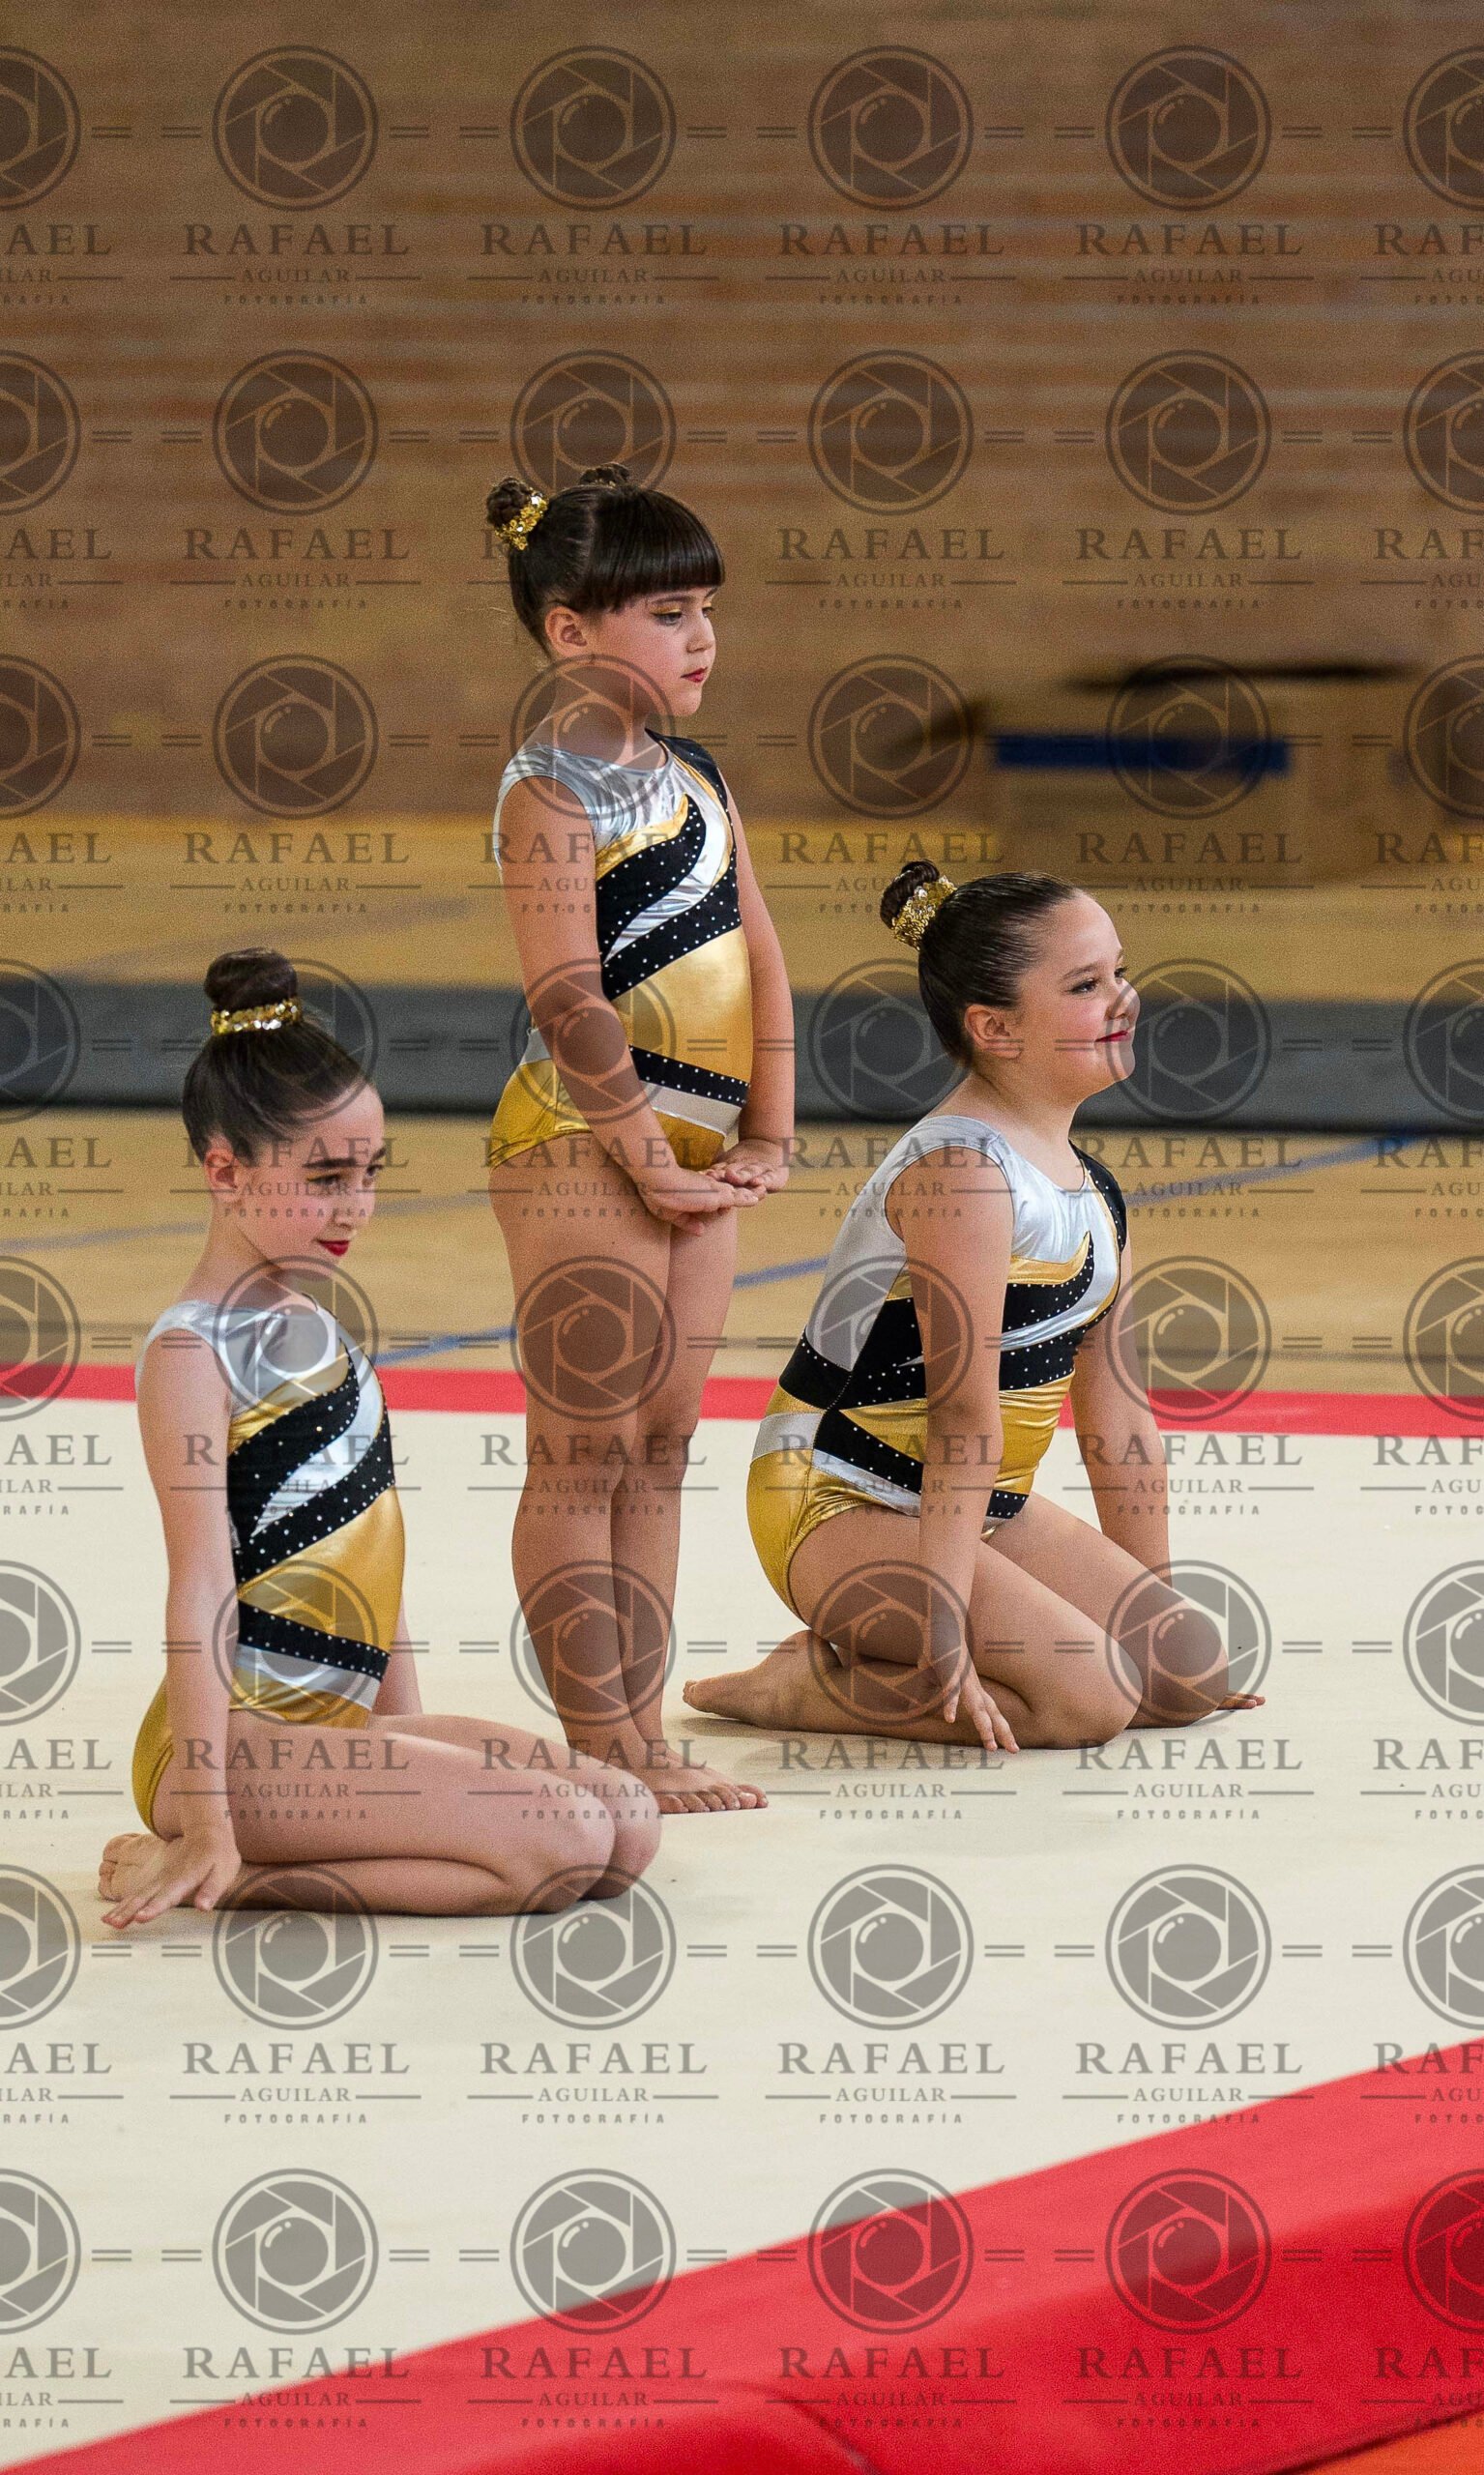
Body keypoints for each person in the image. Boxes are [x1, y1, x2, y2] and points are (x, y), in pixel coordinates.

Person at [98, 949, 660, 1932]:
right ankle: (210, 1865)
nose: (354, 1206)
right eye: (325, 1177)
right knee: (558, 1844)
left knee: (627, 1823)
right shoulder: (194, 1352)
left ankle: (280, 1838)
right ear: (225, 1171)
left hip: (330, 1730)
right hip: (233, 1748)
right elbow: (201, 1591)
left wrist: (406, 1743)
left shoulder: (325, 1334)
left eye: (368, 1174)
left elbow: (372, 1548)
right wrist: (207, 1820)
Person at [684, 863, 1264, 1754]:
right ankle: (803, 1684)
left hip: (975, 1504)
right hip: (838, 1498)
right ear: (994, 1028)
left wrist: (1150, 1616)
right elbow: (961, 1417)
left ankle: (1028, 1645)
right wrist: (943, 1628)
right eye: (1084, 985)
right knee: (1086, 1703)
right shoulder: (961, 1175)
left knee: (1185, 1677)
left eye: (1118, 971)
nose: (1122, 999)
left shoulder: (1095, 1192)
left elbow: (1120, 1421)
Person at [484, 459, 794, 1815]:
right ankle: (597, 1735)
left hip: (695, 1152)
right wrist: (644, 1152)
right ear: (570, 630)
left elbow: (758, 951)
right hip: (578, 1141)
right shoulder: (549, 794)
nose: (701, 637)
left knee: (662, 1444)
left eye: (707, 608)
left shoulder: (699, 774)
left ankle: (646, 1733)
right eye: (668, 613)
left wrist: (767, 1125)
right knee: (587, 1445)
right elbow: (567, 995)